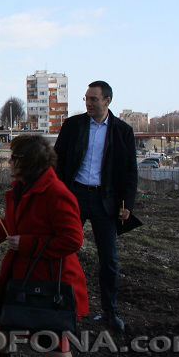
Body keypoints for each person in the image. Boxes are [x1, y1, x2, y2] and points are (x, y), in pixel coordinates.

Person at [0, 135, 88, 357]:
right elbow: (9, 223)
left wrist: (26, 243)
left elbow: (73, 239)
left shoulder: (57, 194)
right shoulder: (22, 188)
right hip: (21, 279)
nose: (9, 162)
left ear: (27, 162)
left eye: (13, 158)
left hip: (48, 286)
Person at [54, 80, 137, 333]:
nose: (89, 103)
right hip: (74, 196)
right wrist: (56, 195)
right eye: (86, 99)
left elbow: (129, 171)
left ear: (107, 101)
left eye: (94, 99)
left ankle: (110, 311)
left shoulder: (122, 131)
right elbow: (57, 161)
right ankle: (62, 306)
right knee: (63, 252)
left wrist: (127, 205)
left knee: (109, 260)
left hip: (105, 201)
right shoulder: (72, 126)